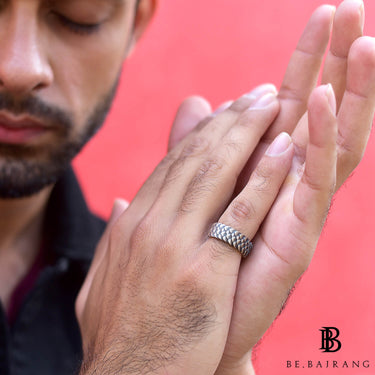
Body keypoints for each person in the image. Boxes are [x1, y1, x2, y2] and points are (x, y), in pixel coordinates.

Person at [0, 0, 373, 374]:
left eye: (78, 18)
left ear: (136, 24)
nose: (19, 68)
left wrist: (219, 361)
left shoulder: (143, 284)